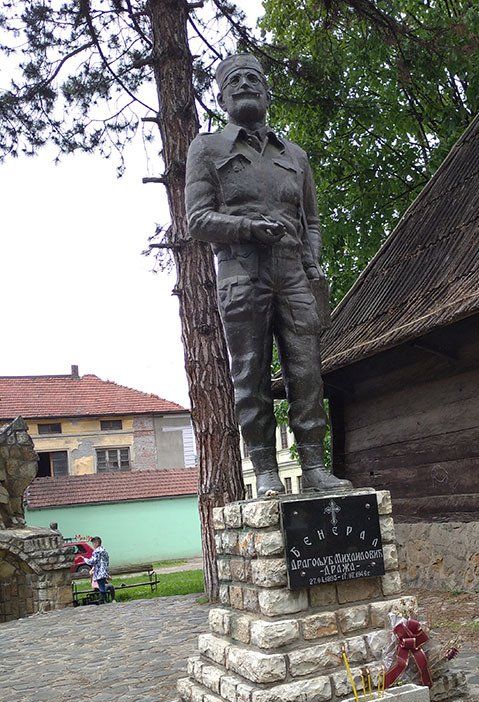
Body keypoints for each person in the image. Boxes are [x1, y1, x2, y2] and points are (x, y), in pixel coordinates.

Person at [185, 52, 352, 498]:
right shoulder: (207, 148)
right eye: (234, 80)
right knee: (251, 373)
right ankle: (264, 471)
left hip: (294, 272)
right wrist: (246, 228)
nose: (244, 84)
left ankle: (314, 467)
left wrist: (313, 263)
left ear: (267, 92)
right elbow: (197, 219)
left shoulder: (294, 155)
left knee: (307, 371)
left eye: (253, 78)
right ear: (221, 97)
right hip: (241, 272)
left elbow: (311, 221)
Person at [82, 536, 110, 603]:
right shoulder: (104, 550)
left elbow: (92, 561)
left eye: (94, 543)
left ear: (97, 543)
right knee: (102, 584)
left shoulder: (97, 551)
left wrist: (85, 559)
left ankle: (103, 599)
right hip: (104, 570)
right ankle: (104, 599)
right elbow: (107, 560)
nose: (93, 545)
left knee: (101, 585)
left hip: (99, 571)